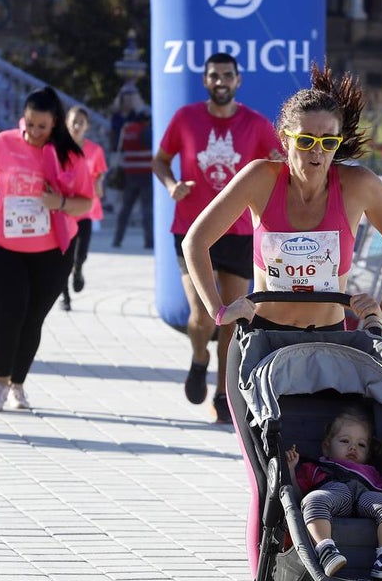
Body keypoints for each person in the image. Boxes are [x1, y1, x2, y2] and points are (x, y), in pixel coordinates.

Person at [182, 63, 382, 581]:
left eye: (328, 142)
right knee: (268, 481)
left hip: (333, 351)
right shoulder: (261, 178)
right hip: (263, 348)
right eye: (306, 141)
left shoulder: (359, 184)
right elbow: (197, 241)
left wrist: (381, 314)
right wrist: (222, 310)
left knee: (331, 472)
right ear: (285, 140)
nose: (317, 154)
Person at [152, 52, 282, 423]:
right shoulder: (186, 119)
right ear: (206, 81)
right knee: (202, 317)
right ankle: (199, 357)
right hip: (193, 230)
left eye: (227, 75)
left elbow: (278, 167)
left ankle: (224, 394)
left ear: (238, 80)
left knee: (233, 315)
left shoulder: (256, 124)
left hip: (240, 232)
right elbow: (160, 159)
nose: (221, 81)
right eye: (214, 76)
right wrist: (172, 184)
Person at [0, 86, 94, 412]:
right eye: (30, 123)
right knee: (9, 312)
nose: (34, 132)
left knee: (32, 318)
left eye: (42, 127)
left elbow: (85, 204)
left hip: (51, 251)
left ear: (55, 124)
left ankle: (18, 383)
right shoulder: (3, 143)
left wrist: (57, 202)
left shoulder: (70, 156)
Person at [286, 406, 382, 581]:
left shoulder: (370, 472)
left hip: (364, 498)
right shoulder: (316, 467)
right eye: (345, 441)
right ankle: (326, 550)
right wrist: (290, 471)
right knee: (312, 500)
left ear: (368, 453)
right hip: (333, 494)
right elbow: (297, 498)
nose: (353, 447)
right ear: (326, 447)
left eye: (361, 444)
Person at [61, 105, 108, 311]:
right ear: (66, 124)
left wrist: (98, 183)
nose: (77, 126)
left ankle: (78, 269)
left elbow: (100, 172)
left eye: (81, 122)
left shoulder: (94, 150)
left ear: (87, 126)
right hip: (63, 209)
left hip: (86, 208)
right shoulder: (59, 148)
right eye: (73, 122)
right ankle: (65, 298)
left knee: (81, 254)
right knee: (64, 256)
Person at [110, 86, 154, 249]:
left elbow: (118, 146)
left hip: (129, 174)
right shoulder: (146, 131)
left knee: (125, 210)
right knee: (147, 210)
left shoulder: (126, 129)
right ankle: (149, 242)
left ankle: (117, 239)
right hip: (145, 174)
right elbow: (151, 146)